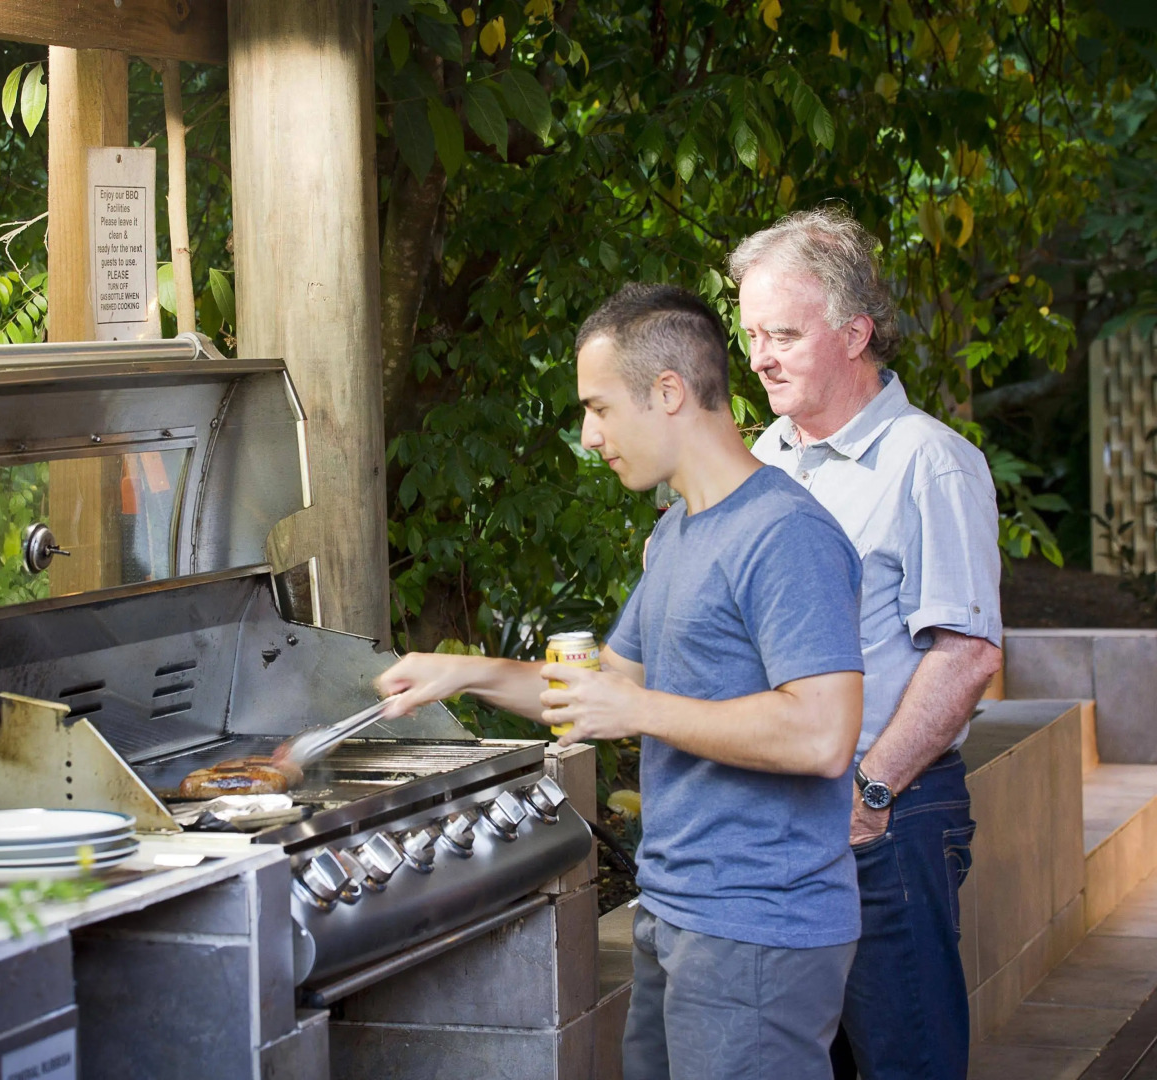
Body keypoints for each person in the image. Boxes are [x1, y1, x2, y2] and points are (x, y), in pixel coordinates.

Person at [378, 284, 868, 1080]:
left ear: (668, 391)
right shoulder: (679, 532)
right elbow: (600, 687)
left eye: (599, 408)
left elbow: (822, 734)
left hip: (757, 926)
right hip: (676, 912)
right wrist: (461, 673)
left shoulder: (784, 534)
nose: (589, 435)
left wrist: (639, 708)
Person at [731, 207, 1004, 1080]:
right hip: (771, 825)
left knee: (903, 1062)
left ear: (854, 334)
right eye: (751, 335)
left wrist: (871, 792)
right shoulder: (757, 464)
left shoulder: (930, 462)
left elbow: (967, 654)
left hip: (885, 816)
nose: (760, 358)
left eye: (783, 334)